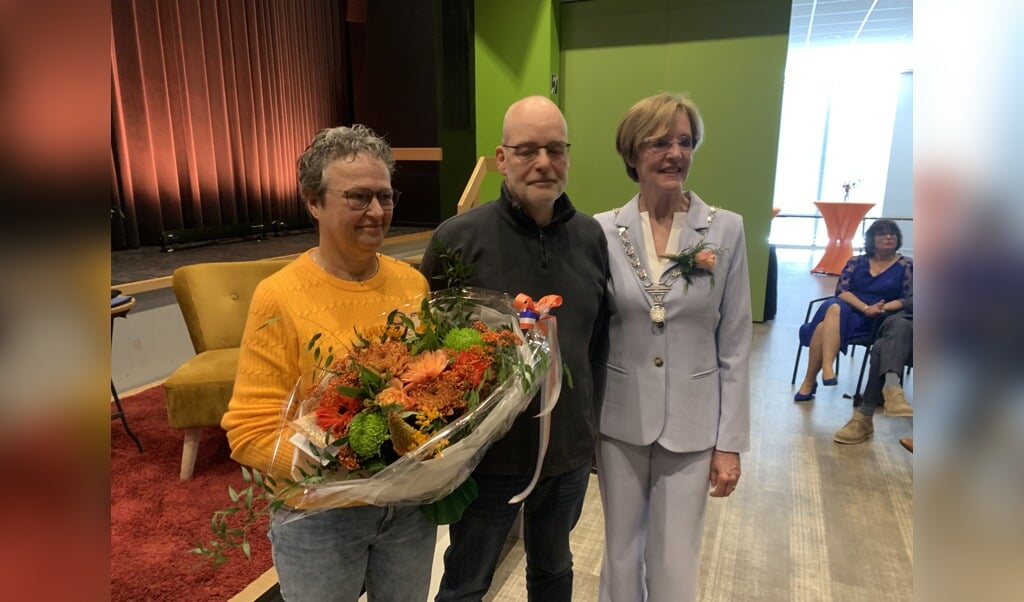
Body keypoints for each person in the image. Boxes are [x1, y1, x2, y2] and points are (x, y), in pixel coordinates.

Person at [221, 125, 436, 601]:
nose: (377, 213)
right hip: (318, 516)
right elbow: (250, 431)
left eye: (385, 196)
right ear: (313, 202)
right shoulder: (278, 295)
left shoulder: (412, 285)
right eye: (358, 197)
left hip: (406, 509)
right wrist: (347, 461)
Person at [418, 95, 609, 601]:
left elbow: (596, 346)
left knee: (553, 571)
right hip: (487, 460)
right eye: (527, 150)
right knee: (465, 583)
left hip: (566, 453)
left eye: (555, 149)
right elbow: (428, 353)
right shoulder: (457, 240)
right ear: (501, 159)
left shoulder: (592, 238)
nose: (543, 162)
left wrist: (589, 433)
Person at [593, 92, 751, 602]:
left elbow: (736, 342)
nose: (675, 154)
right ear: (632, 154)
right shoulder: (602, 231)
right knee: (619, 552)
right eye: (659, 142)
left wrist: (730, 442)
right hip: (619, 420)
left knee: (675, 555)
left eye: (685, 142)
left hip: (694, 419)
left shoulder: (725, 228)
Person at [795, 219, 913, 401]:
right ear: (872, 239)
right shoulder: (857, 261)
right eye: (882, 233)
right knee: (835, 306)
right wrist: (865, 307)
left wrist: (880, 308)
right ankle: (827, 367)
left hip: (880, 317)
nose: (889, 237)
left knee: (822, 327)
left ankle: (811, 381)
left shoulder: (906, 264)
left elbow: (906, 299)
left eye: (893, 234)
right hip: (852, 308)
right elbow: (842, 291)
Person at [834, 295, 913, 444]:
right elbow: (910, 301)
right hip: (905, 331)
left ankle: (865, 416)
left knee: (880, 347)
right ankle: (892, 389)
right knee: (896, 327)